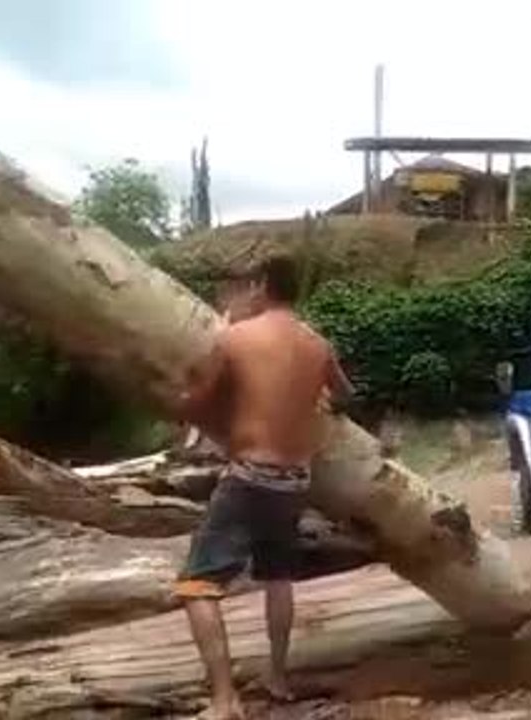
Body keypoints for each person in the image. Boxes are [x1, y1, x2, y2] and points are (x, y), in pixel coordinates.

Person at [169, 256, 354, 720]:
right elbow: (346, 394)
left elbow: (198, 401)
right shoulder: (318, 344)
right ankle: (276, 676)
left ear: (262, 286)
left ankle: (225, 701)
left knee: (197, 585)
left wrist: (180, 398)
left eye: (250, 287)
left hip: (250, 476)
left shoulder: (235, 337)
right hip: (295, 481)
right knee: (277, 577)